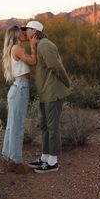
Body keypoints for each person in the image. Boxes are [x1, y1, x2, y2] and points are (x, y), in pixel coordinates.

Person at [21, 20, 71, 173]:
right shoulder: (39, 45)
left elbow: (56, 66)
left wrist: (68, 83)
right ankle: (45, 157)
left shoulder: (45, 45)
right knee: (45, 126)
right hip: (45, 92)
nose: (25, 32)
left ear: (34, 31)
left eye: (27, 29)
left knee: (52, 127)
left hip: (52, 92)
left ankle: (53, 162)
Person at [1, 25, 37, 174]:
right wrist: (33, 46)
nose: (25, 34)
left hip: (17, 88)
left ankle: (6, 156)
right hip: (20, 88)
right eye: (22, 32)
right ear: (16, 35)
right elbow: (33, 61)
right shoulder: (17, 48)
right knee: (18, 127)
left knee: (11, 125)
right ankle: (15, 162)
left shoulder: (14, 48)